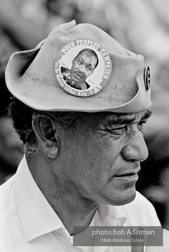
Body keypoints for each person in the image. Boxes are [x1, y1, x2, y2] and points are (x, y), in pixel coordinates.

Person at [0, 20, 168, 252]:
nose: (140, 152)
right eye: (116, 128)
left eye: (140, 124)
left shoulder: (137, 216)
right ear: (49, 134)